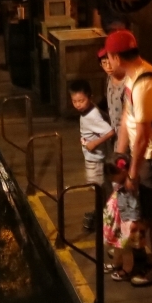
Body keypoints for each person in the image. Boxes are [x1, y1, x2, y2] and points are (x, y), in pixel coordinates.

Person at [111, 30, 152, 287]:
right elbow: (126, 117)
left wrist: (133, 173)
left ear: (115, 57)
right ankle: (138, 258)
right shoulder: (132, 77)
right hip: (138, 156)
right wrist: (119, 158)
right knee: (136, 211)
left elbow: (144, 137)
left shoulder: (145, 84)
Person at [69, 79, 115, 232]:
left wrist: (95, 144)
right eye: (74, 101)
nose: (77, 104)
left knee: (98, 187)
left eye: (81, 100)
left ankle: (106, 216)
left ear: (90, 97)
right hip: (93, 158)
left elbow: (109, 131)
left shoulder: (92, 116)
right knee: (100, 187)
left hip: (94, 159)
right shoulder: (89, 110)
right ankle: (105, 212)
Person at [101, 153, 143, 282]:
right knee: (117, 245)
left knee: (125, 248)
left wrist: (134, 221)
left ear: (123, 170)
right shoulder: (120, 182)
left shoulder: (131, 186)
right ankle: (116, 263)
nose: (113, 179)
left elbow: (134, 204)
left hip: (126, 221)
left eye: (114, 176)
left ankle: (127, 269)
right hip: (118, 220)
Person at [97, 48, 126, 144]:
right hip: (114, 130)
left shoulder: (127, 83)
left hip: (126, 132)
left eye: (110, 62)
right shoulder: (109, 78)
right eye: (104, 63)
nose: (108, 66)